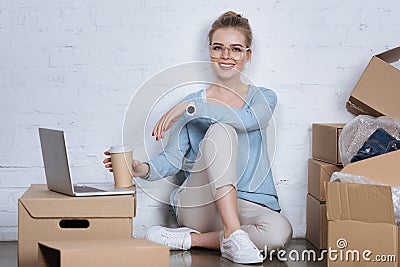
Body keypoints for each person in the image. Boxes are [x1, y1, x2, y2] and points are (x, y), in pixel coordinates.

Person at [103, 11, 292, 264]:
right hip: (199, 205)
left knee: (279, 233)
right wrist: (142, 168)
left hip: (245, 202)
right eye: (218, 48)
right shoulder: (190, 103)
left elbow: (248, 121)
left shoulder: (263, 98)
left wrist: (192, 107)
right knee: (222, 131)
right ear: (210, 51)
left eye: (235, 49)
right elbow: (172, 159)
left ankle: (189, 240)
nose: (226, 56)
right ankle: (234, 234)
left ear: (247, 55)